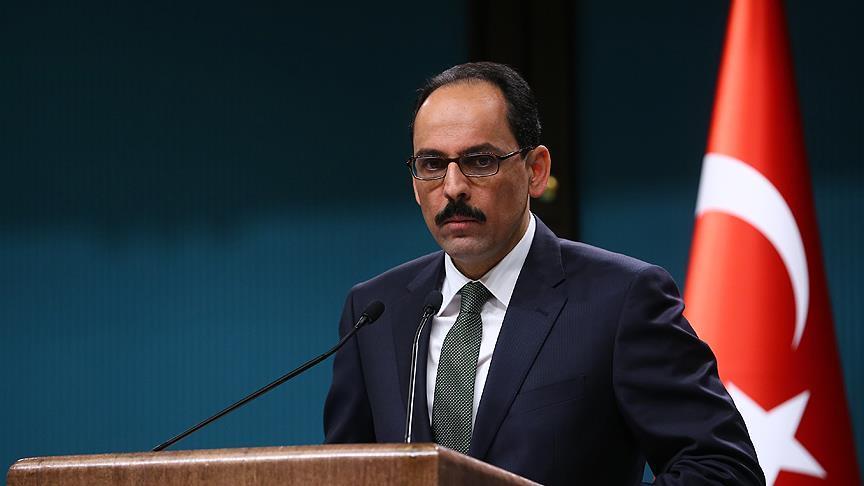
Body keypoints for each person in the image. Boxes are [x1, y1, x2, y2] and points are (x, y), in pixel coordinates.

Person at [324, 62, 764, 486]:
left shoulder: (621, 300)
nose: (453, 187)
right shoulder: (375, 312)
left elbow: (724, 470)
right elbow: (343, 474)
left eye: (480, 161)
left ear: (536, 171)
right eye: (432, 164)